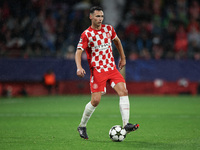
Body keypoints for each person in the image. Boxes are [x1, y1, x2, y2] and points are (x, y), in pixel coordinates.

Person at [75, 6, 139, 140]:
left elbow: (117, 41)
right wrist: (79, 67)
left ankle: (126, 124)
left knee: (124, 91)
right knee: (96, 101)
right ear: (91, 17)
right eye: (97, 16)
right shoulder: (86, 34)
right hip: (98, 71)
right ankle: (82, 126)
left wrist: (123, 57)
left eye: (102, 16)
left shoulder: (109, 29)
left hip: (111, 68)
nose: (100, 19)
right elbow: (79, 51)